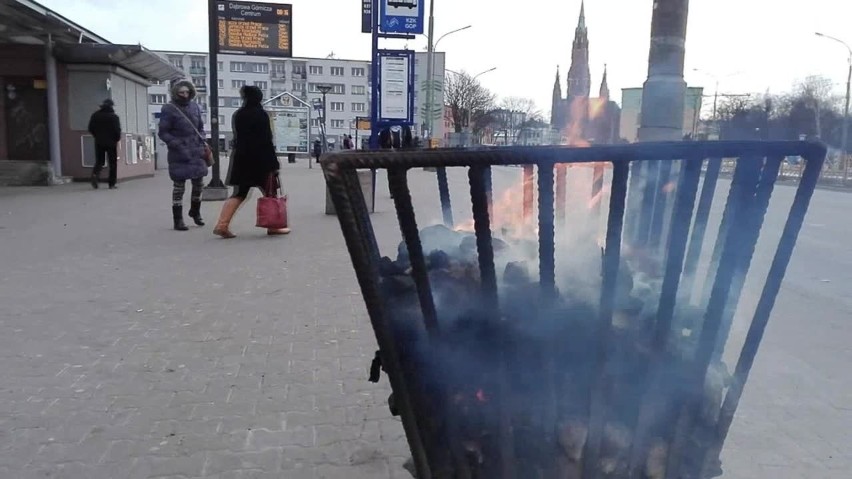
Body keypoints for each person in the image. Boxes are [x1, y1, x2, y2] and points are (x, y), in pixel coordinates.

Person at [213, 85, 290, 239]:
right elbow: (266, 140)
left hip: (242, 159)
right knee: (270, 192)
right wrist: (274, 164)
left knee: (239, 193)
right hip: (261, 161)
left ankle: (222, 224)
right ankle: (273, 226)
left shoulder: (238, 114)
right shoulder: (261, 115)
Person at [157, 80, 209, 231]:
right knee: (179, 187)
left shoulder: (195, 106)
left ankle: (195, 211)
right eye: (181, 93)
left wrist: (202, 138)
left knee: (198, 184)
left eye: (187, 92)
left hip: (196, 151)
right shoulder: (169, 108)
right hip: (179, 153)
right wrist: (176, 144)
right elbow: (163, 132)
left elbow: (200, 127)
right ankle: (178, 219)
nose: (185, 95)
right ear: (175, 93)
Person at [87, 99, 122, 189]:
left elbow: (90, 128)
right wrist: (116, 139)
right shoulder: (114, 117)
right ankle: (111, 184)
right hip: (111, 143)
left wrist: (97, 136)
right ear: (111, 106)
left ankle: (95, 174)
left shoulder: (95, 116)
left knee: (99, 161)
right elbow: (117, 130)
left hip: (99, 142)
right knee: (112, 163)